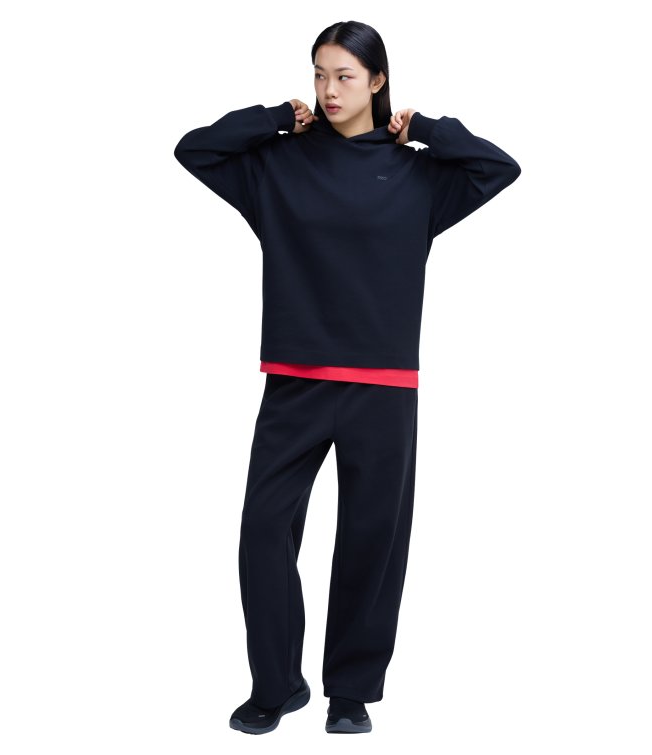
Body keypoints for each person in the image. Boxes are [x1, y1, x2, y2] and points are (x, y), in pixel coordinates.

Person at [174, 19, 521, 735]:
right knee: (263, 531)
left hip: (383, 386)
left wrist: (427, 129)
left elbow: (498, 167)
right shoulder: (276, 164)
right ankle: (276, 685)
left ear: (377, 81)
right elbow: (194, 149)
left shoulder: (419, 175)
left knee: (371, 539)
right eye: (319, 74)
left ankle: (350, 692)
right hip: (294, 381)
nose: (329, 90)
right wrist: (275, 117)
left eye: (345, 76)